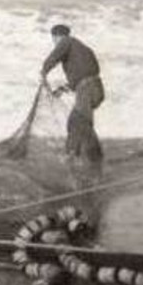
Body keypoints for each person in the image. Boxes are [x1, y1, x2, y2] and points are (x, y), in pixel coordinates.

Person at [40, 24, 104, 184]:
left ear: (57, 36)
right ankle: (93, 159)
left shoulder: (66, 42)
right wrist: (61, 89)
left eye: (53, 39)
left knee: (76, 121)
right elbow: (84, 75)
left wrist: (43, 71)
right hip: (95, 88)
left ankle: (72, 158)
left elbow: (53, 58)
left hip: (87, 89)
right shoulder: (82, 48)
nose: (54, 42)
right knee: (83, 124)